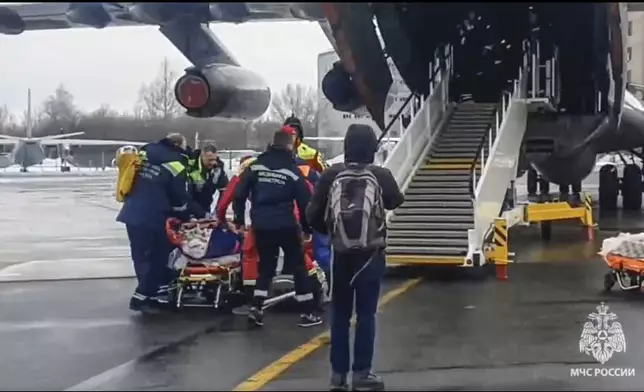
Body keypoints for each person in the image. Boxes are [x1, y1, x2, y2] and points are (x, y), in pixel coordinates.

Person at [306, 124, 404, 391]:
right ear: (371, 147)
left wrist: (334, 231)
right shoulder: (380, 174)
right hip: (371, 254)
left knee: (339, 314)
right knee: (366, 314)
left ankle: (338, 376)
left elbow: (312, 215)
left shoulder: (331, 175)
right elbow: (397, 200)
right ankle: (362, 373)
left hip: (342, 253)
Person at [233, 130, 322, 328]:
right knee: (298, 266)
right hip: (285, 225)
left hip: (261, 225)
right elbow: (305, 200)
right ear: (290, 145)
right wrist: (307, 228)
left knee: (266, 267)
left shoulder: (255, 166)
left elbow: (239, 194)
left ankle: (256, 307)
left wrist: (239, 219)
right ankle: (307, 312)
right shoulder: (292, 170)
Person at [117, 133, 206, 314]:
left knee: (141, 257)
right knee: (159, 257)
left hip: (132, 214)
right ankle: (142, 296)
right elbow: (179, 200)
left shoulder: (146, 152)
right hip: (155, 217)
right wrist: (188, 216)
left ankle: (157, 293)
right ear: (179, 146)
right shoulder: (176, 164)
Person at [186, 142, 229, 215]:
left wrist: (218, 211)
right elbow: (185, 195)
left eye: (215, 159)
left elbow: (224, 191)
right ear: (202, 156)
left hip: (205, 204)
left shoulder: (218, 169)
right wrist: (201, 213)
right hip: (186, 209)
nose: (213, 163)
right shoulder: (190, 166)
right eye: (210, 160)